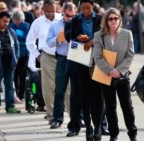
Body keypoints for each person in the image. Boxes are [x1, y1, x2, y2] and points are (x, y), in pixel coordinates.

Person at [93, 7, 137, 141]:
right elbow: (98, 57)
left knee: (127, 106)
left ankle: (132, 133)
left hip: (122, 76)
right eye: (110, 18)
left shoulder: (127, 33)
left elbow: (130, 55)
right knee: (110, 107)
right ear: (106, 21)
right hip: (106, 76)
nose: (113, 21)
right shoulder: (99, 35)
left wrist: (119, 70)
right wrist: (110, 70)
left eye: (115, 18)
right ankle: (114, 134)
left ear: (119, 19)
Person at [65, 0, 104, 139]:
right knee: (84, 96)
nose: (86, 11)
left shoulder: (100, 19)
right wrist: (78, 38)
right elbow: (71, 40)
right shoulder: (75, 20)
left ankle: (98, 126)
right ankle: (88, 127)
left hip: (98, 61)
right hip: (81, 61)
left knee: (98, 96)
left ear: (93, 7)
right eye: (83, 9)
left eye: (88, 8)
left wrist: (93, 41)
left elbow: (105, 37)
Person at [26, 0, 61, 123]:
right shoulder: (37, 23)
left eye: (53, 11)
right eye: (47, 12)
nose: (50, 14)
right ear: (42, 10)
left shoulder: (62, 20)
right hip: (46, 56)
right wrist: (37, 55)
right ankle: (51, 115)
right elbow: (29, 42)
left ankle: (71, 114)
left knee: (65, 86)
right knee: (48, 87)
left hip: (62, 56)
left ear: (56, 8)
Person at [46, 1, 75, 129]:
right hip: (62, 58)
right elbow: (48, 42)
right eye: (68, 16)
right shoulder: (55, 25)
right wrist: (58, 39)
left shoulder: (78, 23)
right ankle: (57, 119)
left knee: (77, 90)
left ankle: (78, 118)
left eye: (72, 16)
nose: (70, 18)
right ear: (63, 13)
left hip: (76, 58)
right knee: (59, 90)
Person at [10, 10, 30, 101]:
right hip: (13, 53)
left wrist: (15, 34)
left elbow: (26, 37)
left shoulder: (26, 26)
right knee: (14, 74)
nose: (17, 21)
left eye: (18, 19)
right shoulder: (11, 25)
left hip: (24, 53)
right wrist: (18, 34)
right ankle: (15, 94)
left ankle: (21, 94)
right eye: (15, 19)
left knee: (22, 75)